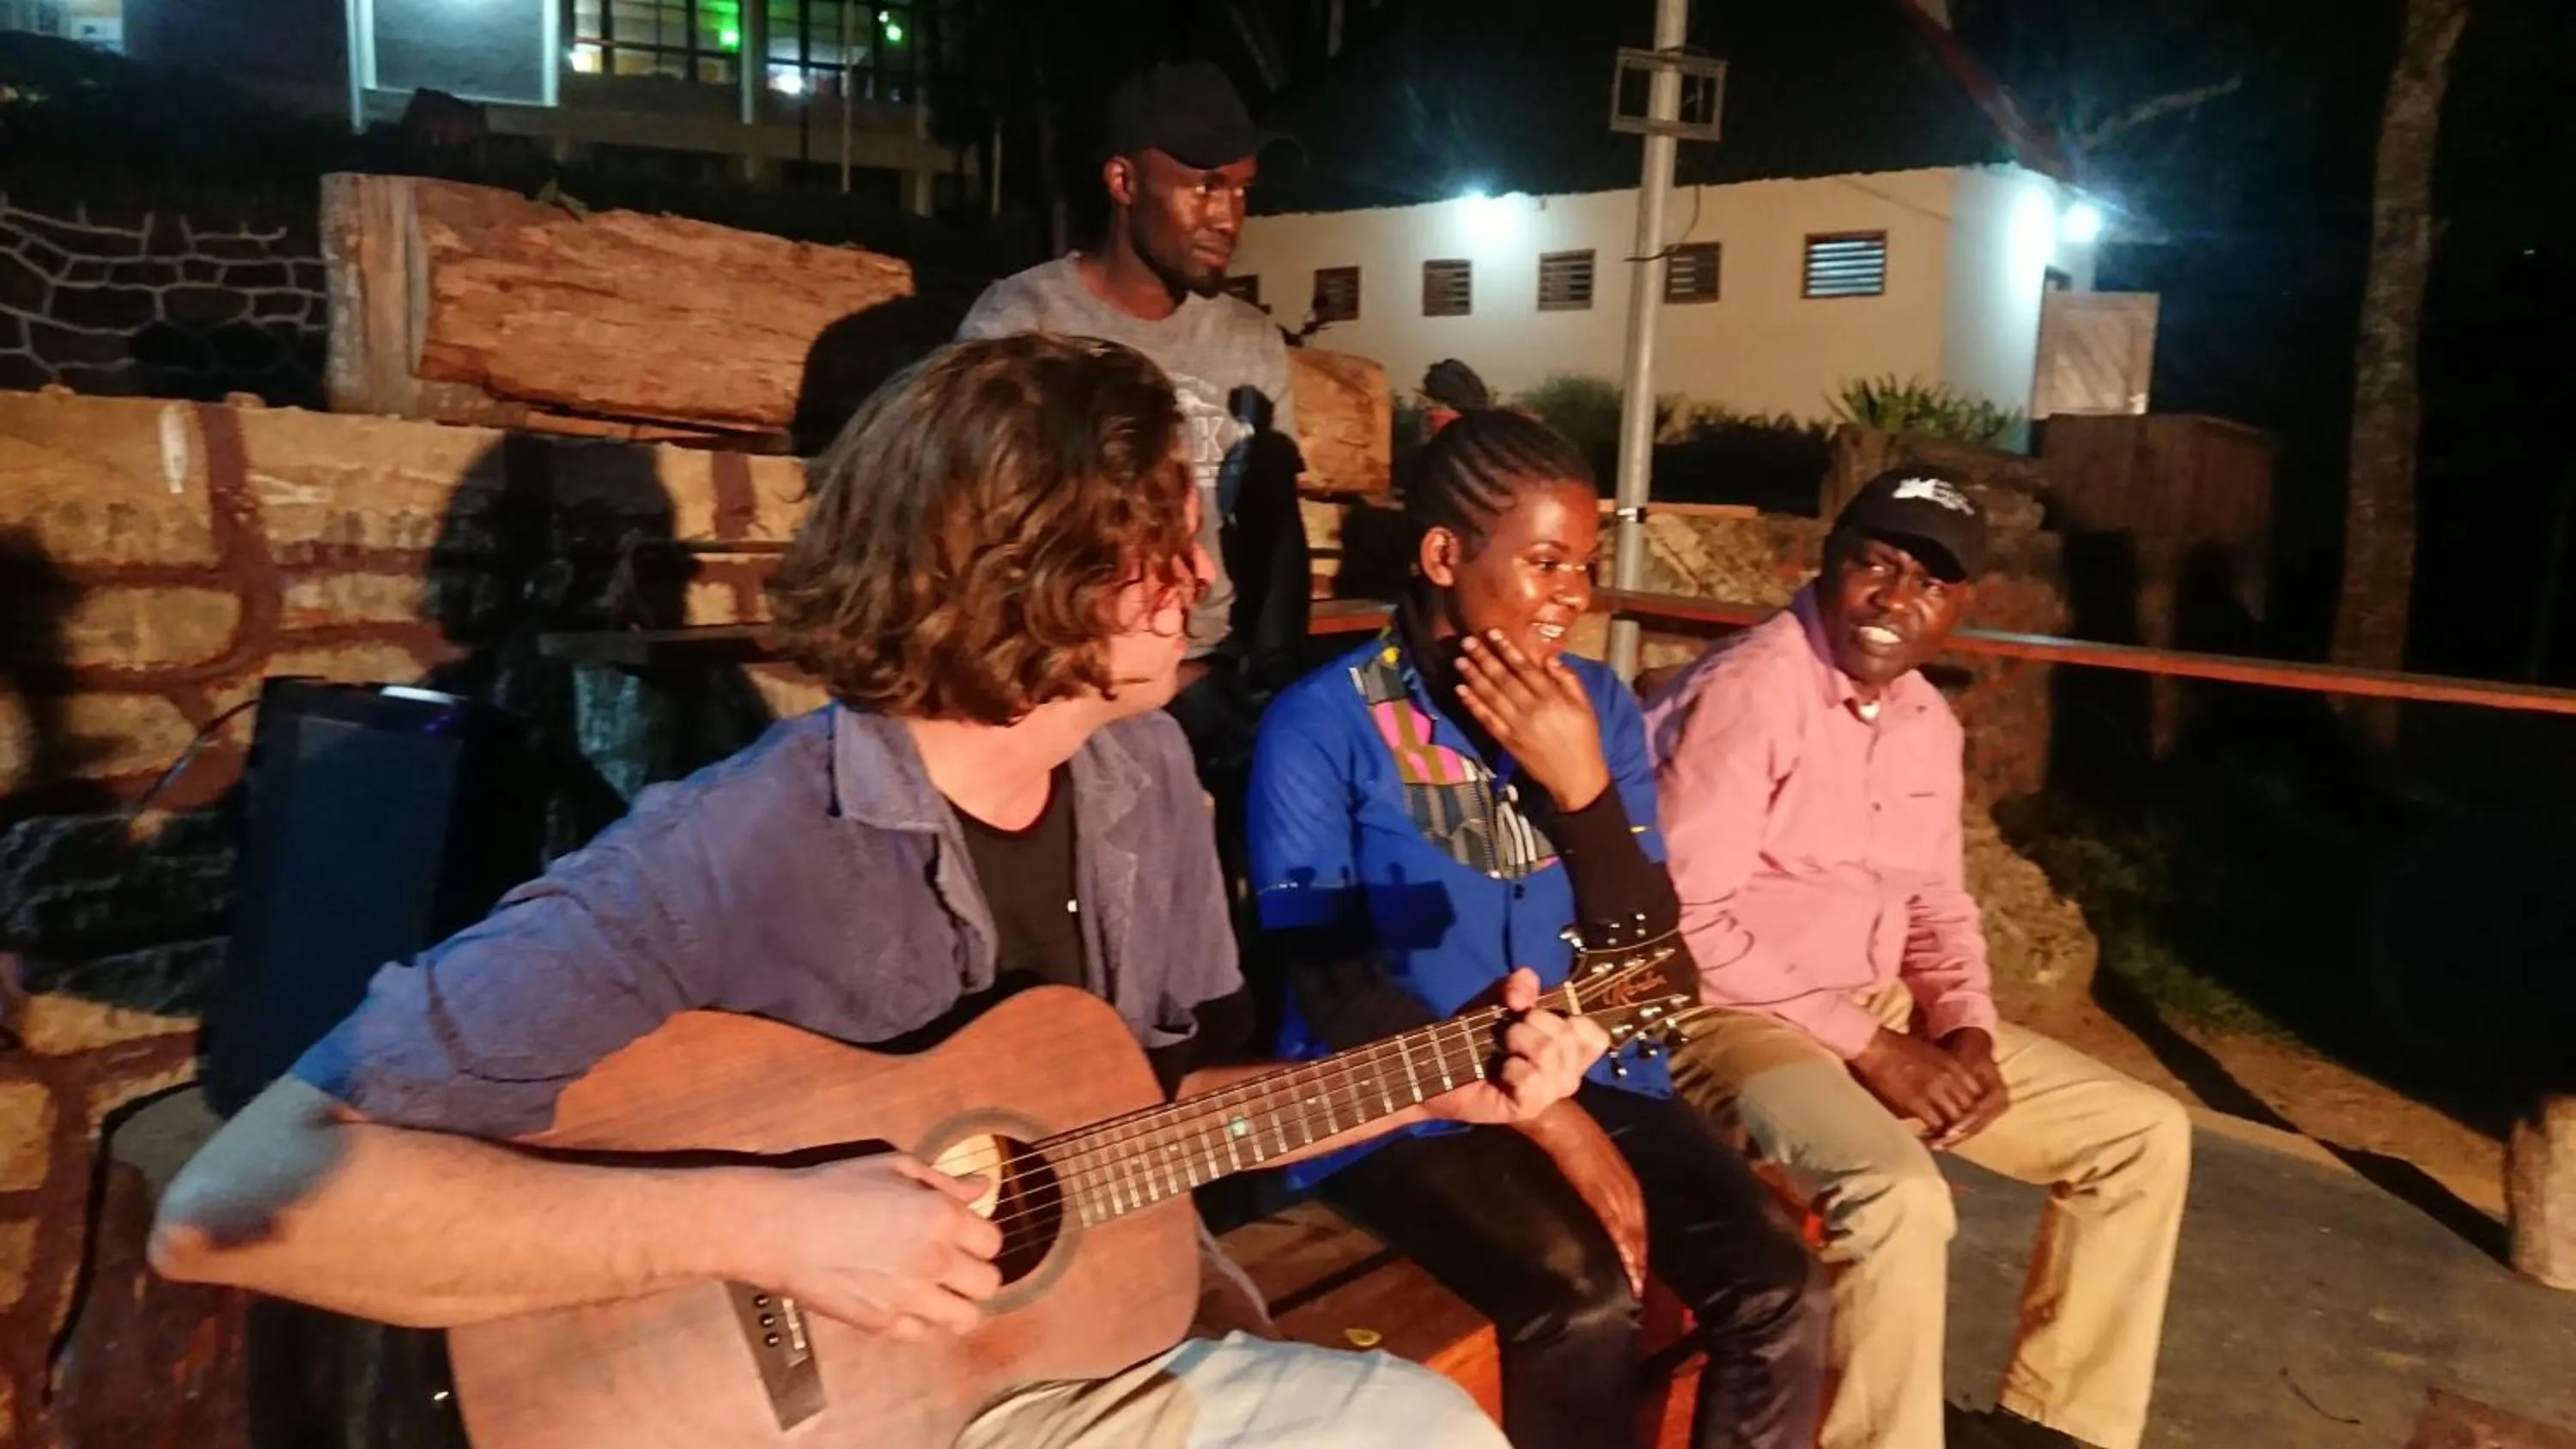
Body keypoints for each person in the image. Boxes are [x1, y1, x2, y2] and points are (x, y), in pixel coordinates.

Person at [148, 336, 1619, 1449]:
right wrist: (766, 1226)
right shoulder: (734, 847)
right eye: (1157, 540)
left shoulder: (1145, 776)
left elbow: (1159, 1121)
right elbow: (233, 1202)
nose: (1198, 573)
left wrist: (1443, 1081)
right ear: (1021, 565)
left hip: (1043, 1370)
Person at [1245, 409, 1829, 1449]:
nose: (1575, 595)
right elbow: (1337, 987)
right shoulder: (1323, 724)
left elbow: (1650, 953)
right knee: (1582, 1297)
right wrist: (1543, 1114)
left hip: (1595, 1067)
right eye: (1547, 562)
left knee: (1783, 1284)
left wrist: (1584, 791)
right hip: (1398, 1099)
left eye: (1586, 567)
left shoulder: (1595, 706)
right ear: (1443, 556)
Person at [1645, 468, 2194, 1449]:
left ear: (1958, 606)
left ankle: (2054, 1428)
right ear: (1829, 559)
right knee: (1896, 1194)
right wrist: (1875, 1048)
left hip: (1870, 1004)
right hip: (1723, 1014)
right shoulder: (1752, 691)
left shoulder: (1924, 722)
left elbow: (1938, 903)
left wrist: (1965, 1024)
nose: (1896, 599)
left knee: (2142, 1138)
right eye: (1877, 564)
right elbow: (1686, 924)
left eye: (1930, 583)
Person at [958, 59, 1309, 789]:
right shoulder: (1026, 326)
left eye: (1241, 190)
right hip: (1067, 676)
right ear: (1123, 182)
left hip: (1217, 672)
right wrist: (1153, 684)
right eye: (1204, 186)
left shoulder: (1248, 342)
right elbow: (986, 550)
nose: (1228, 217)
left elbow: (1274, 525)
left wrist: (1270, 681)